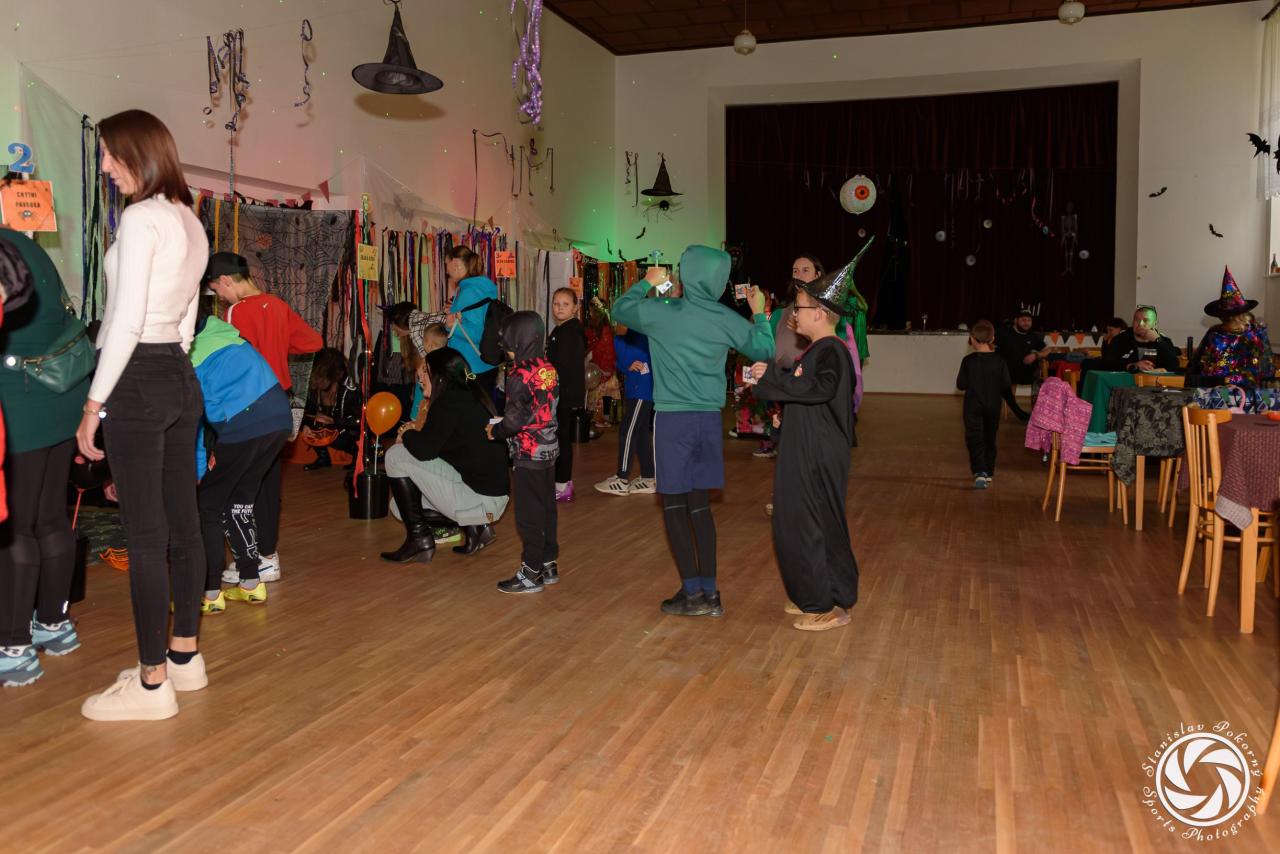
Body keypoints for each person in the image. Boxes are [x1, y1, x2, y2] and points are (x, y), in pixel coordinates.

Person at [73, 109, 209, 721]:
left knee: (147, 537)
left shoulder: (139, 217)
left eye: (110, 153)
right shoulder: (189, 219)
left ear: (139, 152)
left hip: (136, 374)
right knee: (184, 525)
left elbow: (124, 321)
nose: (105, 166)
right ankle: (184, 657)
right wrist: (168, 368)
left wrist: (93, 405)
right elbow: (186, 320)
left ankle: (152, 685)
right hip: (177, 372)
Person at [612, 245, 775, 617]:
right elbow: (764, 348)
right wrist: (758, 312)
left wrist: (646, 282)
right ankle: (711, 593)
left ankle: (691, 593)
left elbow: (619, 310)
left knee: (674, 506)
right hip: (708, 422)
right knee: (699, 507)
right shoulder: (726, 318)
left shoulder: (662, 311)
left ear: (685, 274)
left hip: (673, 421)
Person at [749, 261, 859, 632]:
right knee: (804, 521)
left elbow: (821, 389)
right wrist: (786, 410)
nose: (794, 314)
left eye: (800, 308)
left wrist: (775, 379)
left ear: (820, 313)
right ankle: (820, 593)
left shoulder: (831, 351)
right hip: (808, 448)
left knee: (809, 523)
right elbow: (811, 395)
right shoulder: (818, 351)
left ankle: (825, 605)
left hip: (817, 455)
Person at [0, 224, 88, 686]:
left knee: (14, 527)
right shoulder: (29, 247)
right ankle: (53, 624)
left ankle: (13, 646)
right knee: (51, 518)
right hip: (59, 400)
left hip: (20, 405)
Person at [205, 251, 322, 585]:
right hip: (279, 405)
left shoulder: (235, 312)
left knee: (238, 487)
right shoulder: (278, 305)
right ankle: (267, 558)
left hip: (247, 405)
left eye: (217, 290)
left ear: (225, 280)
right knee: (268, 483)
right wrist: (278, 345)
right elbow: (313, 342)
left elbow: (229, 360)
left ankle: (250, 559)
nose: (219, 297)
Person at [190, 303, 292, 610]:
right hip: (278, 417)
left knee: (207, 505)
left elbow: (194, 419)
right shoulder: (227, 334)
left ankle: (209, 593)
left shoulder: (190, 355)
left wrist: (198, 469)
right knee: (240, 501)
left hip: (244, 422)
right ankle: (250, 583)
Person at [382, 347, 510, 563]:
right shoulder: (470, 395)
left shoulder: (449, 401)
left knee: (395, 455)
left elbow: (423, 451)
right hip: (491, 498)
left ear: (440, 375)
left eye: (426, 371)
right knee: (399, 505)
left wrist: (407, 432)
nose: (420, 377)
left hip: (481, 501)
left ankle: (419, 540)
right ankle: (476, 527)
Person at [488, 312, 559, 594]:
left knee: (528, 515)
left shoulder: (519, 374)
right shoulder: (547, 367)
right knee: (547, 509)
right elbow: (540, 409)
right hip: (549, 450)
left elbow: (515, 420)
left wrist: (496, 431)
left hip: (528, 453)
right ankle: (548, 563)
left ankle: (531, 573)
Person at [595, 322, 656, 496]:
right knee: (640, 433)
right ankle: (648, 477)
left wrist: (639, 366)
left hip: (642, 389)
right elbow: (621, 362)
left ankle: (621, 479)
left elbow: (651, 357)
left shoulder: (641, 334)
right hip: (633, 389)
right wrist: (627, 365)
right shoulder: (620, 338)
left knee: (627, 431)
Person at [1189, 268, 1275, 389]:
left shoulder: (1256, 334)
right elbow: (1199, 370)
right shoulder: (1215, 334)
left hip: (1248, 395)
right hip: (1218, 394)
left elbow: (1267, 372)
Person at [955, 320, 1010, 490]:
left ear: (972, 339)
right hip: (993, 405)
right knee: (990, 437)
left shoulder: (968, 361)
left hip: (973, 406)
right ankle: (989, 471)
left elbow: (961, 384)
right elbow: (1006, 384)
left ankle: (980, 471)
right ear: (992, 338)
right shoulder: (1000, 361)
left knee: (974, 437)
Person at [546, 287, 586, 502]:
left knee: (562, 439)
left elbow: (563, 367)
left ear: (575, 308)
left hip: (563, 394)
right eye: (556, 304)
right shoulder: (562, 329)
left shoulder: (570, 332)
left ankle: (562, 485)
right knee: (559, 437)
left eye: (565, 304)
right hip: (560, 393)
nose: (560, 308)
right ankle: (560, 482)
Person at [443, 246, 500, 394]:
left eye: (446, 264)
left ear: (455, 263)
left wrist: (451, 325)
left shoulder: (469, 291)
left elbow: (478, 333)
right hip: (479, 365)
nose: (446, 270)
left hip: (472, 367)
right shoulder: (477, 287)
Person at [301, 347, 362, 471]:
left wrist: (334, 421)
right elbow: (307, 411)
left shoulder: (349, 390)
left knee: (345, 432)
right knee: (310, 425)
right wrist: (305, 424)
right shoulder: (314, 388)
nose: (317, 380)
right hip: (332, 429)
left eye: (321, 377)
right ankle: (323, 458)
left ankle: (356, 453)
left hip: (346, 431)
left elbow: (358, 421)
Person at [995, 309, 1048, 421]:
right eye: (1023, 320)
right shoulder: (1003, 333)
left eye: (1029, 320)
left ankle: (1037, 411)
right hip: (1007, 371)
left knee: (1040, 379)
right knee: (1004, 379)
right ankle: (1016, 411)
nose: (1026, 323)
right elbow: (990, 344)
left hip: (1025, 371)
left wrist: (1036, 355)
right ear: (1016, 320)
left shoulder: (1032, 336)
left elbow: (1047, 350)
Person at [1098, 306, 1180, 373]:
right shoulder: (1120, 339)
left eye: (1145, 320)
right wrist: (1131, 366)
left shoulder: (1163, 341)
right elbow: (1106, 363)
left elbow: (1174, 365)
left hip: (1155, 384)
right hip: (1126, 384)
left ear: (1154, 324)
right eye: (1136, 320)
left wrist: (1158, 341)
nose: (1140, 324)